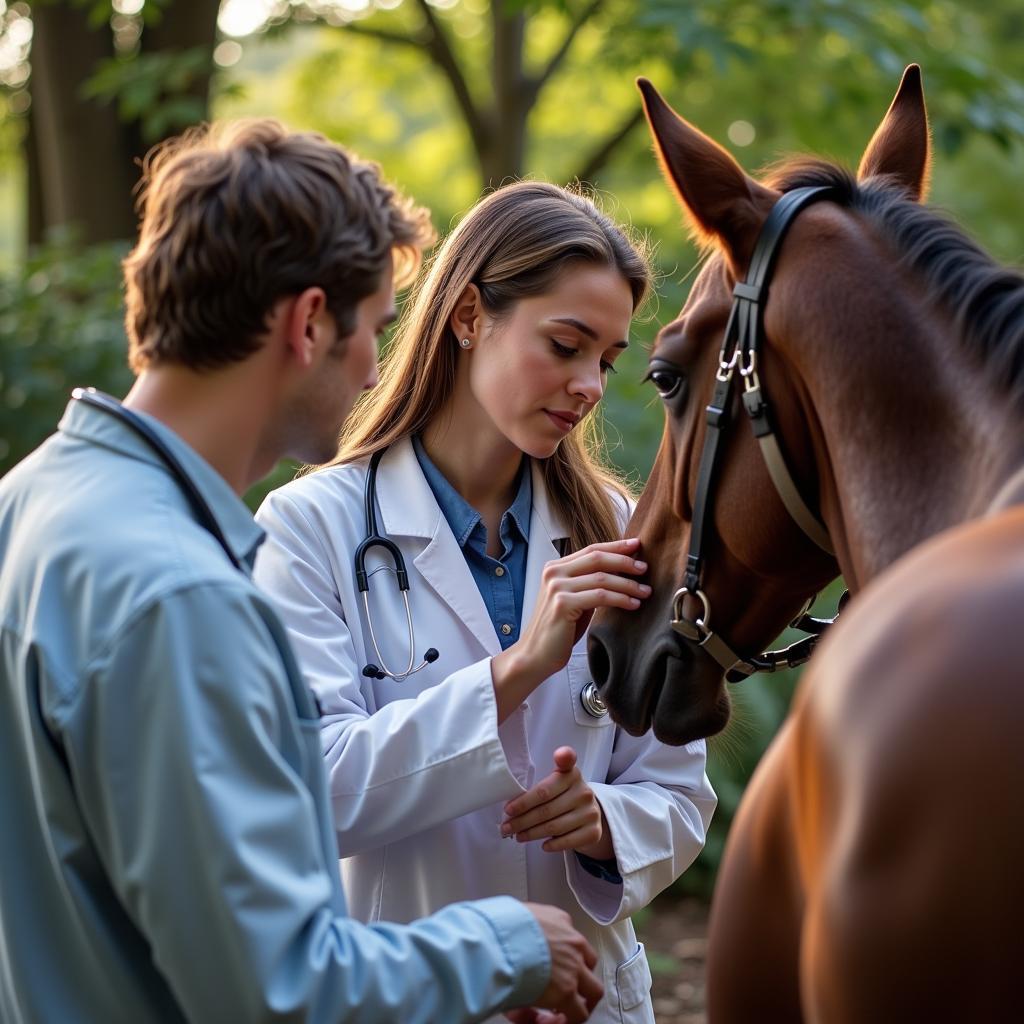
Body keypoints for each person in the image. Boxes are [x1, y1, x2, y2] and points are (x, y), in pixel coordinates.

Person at [0, 122, 606, 1023]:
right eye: (373, 331)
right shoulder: (180, 596)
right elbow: (272, 989)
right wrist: (507, 947)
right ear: (309, 321)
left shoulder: (26, 504)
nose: (373, 371)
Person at [253, 181, 717, 1024]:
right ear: (469, 316)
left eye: (607, 361)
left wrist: (607, 821)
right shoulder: (307, 529)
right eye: (566, 345)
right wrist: (518, 668)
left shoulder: (618, 531)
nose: (589, 387)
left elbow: (680, 791)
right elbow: (307, 792)